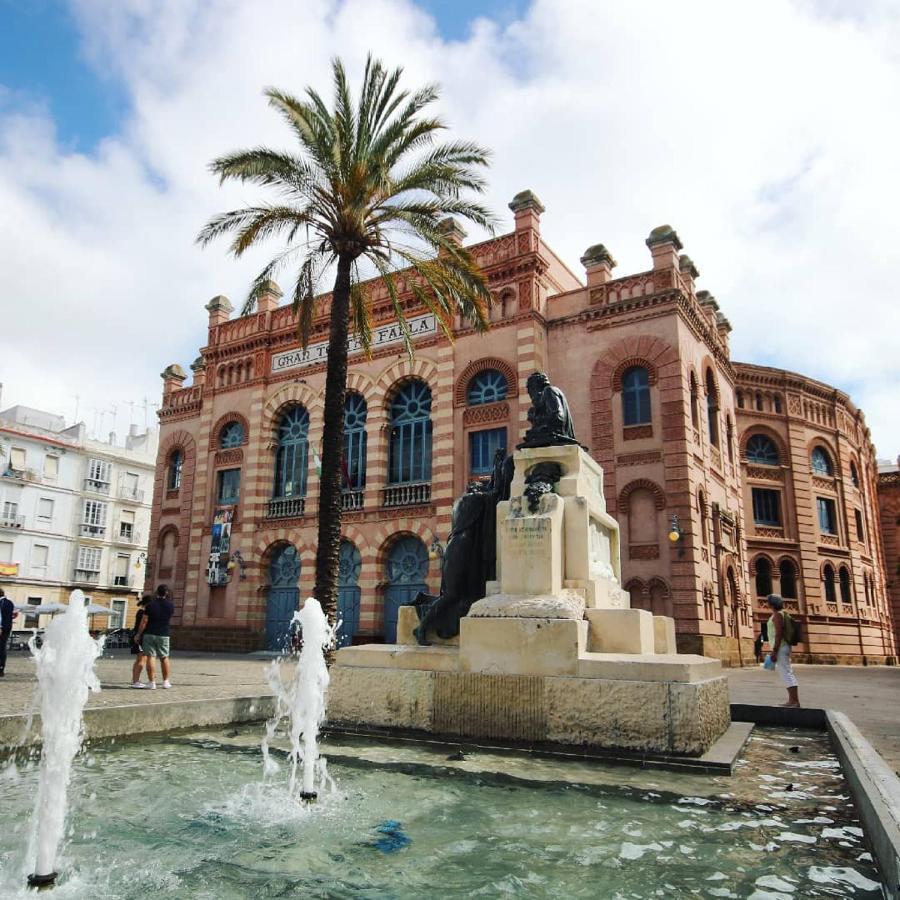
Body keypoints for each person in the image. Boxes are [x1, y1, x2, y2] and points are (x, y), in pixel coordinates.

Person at [132, 585, 175, 690]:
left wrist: (138, 634)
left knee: (151, 657)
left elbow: (144, 622)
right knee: (164, 657)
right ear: (167, 593)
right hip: (164, 634)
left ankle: (152, 682)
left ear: (157, 592)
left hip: (150, 633)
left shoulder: (150, 605)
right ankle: (166, 682)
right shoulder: (171, 605)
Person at [765, 593, 800, 708]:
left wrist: (774, 650)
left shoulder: (778, 615)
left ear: (772, 603)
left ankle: (794, 701)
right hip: (781, 647)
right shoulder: (779, 614)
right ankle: (792, 700)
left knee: (786, 672)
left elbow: (778, 634)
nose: (767, 603)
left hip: (780, 647)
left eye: (768, 601)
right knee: (786, 672)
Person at [130, 595, 152, 688]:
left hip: (138, 636)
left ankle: (135, 679)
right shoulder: (143, 613)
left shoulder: (140, 611)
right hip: (140, 637)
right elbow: (143, 625)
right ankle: (136, 681)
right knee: (141, 659)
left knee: (140, 659)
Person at [0, 587, 17, 677]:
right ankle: (1, 668)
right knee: (2, 648)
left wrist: (1, 627)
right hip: (5, 628)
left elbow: (3, 617)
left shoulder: (4, 603)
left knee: (1, 649)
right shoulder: (7, 602)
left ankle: (1, 668)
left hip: (3, 629)